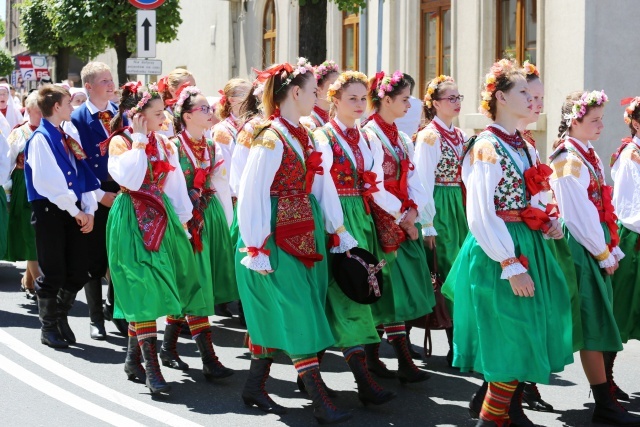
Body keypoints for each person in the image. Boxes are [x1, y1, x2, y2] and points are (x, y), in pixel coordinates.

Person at [443, 59, 573, 427]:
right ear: (500, 97)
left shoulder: (525, 145)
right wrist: (509, 264)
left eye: (536, 96)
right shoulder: (486, 146)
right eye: (525, 94)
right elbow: (481, 212)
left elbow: (531, 195)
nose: (534, 101)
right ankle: (490, 418)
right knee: (511, 336)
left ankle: (498, 415)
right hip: (499, 250)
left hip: (527, 242)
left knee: (526, 332)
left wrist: (547, 220)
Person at [236, 59, 355, 424]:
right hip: (275, 235)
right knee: (297, 310)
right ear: (296, 92)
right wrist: (255, 246)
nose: (319, 95)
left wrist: (338, 229)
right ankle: (319, 401)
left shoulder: (305, 133)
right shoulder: (269, 138)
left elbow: (322, 185)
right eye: (314, 89)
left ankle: (255, 386)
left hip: (307, 230)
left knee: (294, 307)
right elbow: (251, 193)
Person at [105, 83, 206, 394]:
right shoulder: (120, 143)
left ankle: (133, 359)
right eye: (158, 113)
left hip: (163, 221)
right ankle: (152, 369)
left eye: (164, 112)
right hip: (131, 220)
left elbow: (175, 186)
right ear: (138, 116)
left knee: (164, 285)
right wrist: (137, 139)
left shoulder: (165, 144)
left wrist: (186, 225)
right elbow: (131, 179)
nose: (165, 119)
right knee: (141, 288)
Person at [550, 90, 640, 426]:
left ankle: (604, 398)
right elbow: (577, 215)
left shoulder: (586, 153)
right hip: (579, 246)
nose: (602, 125)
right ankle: (506, 391)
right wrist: (602, 252)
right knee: (576, 320)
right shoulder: (567, 158)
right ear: (575, 120)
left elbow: (600, 208)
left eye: (601, 118)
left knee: (593, 321)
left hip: (594, 241)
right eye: (594, 120)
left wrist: (610, 247)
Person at [313, 70, 397, 406]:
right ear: (334, 100)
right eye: (353, 98)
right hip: (335, 223)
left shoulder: (367, 138)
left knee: (354, 291)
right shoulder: (323, 137)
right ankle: (363, 381)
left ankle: (313, 377)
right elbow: (324, 188)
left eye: (364, 98)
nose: (360, 104)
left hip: (359, 218)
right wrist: (338, 230)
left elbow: (375, 185)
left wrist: (401, 213)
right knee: (344, 294)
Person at [157, 85, 235, 380]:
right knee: (194, 284)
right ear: (187, 116)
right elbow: (168, 188)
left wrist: (226, 223)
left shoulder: (213, 145)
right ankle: (208, 358)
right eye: (204, 109)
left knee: (194, 285)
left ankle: (168, 347)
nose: (210, 112)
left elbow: (222, 186)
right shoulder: (172, 146)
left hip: (209, 218)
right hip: (185, 221)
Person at [362, 70, 434, 384]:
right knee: (387, 290)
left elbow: (414, 177)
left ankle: (377, 358)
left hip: (402, 215)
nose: (409, 105)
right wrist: (401, 214)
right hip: (379, 218)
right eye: (403, 99)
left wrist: (415, 210)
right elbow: (373, 183)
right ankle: (387, 358)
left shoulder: (402, 137)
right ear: (386, 100)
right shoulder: (369, 134)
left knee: (400, 289)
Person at [25, 85, 101, 349]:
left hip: (73, 210)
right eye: (68, 103)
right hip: (51, 212)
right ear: (56, 106)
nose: (72, 107)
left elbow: (81, 172)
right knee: (53, 272)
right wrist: (76, 210)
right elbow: (50, 184)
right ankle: (49, 328)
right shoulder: (40, 139)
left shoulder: (66, 132)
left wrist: (88, 209)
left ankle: (59, 316)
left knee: (80, 269)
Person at [68, 62, 126, 340]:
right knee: (95, 257)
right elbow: (79, 164)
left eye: (111, 79)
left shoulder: (120, 114)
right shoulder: (78, 118)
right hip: (96, 191)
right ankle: (95, 319)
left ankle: (114, 310)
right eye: (104, 80)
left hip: (122, 190)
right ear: (89, 87)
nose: (110, 84)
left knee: (120, 254)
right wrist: (100, 196)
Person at [413, 74, 466, 366]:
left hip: (457, 203)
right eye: (450, 98)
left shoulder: (458, 135)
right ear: (434, 103)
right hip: (440, 205)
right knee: (444, 269)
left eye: (459, 98)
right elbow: (422, 180)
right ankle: (453, 344)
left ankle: (458, 343)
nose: (456, 103)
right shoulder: (429, 136)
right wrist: (428, 223)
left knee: (459, 270)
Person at [609, 96, 640, 402]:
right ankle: (605, 380)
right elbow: (629, 209)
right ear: (636, 122)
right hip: (632, 240)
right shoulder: (630, 155)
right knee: (620, 311)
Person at [5, 92, 41, 300]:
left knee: (37, 234)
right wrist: (8, 191)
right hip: (24, 184)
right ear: (28, 110)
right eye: (38, 110)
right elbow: (8, 162)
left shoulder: (53, 129)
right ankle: (38, 284)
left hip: (44, 185)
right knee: (29, 233)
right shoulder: (20, 133)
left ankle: (28, 280)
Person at [301, 60, 339, 130]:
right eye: (333, 84)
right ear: (318, 90)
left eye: (339, 85)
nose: (338, 89)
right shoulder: (308, 121)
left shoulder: (339, 117)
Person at [158, 68, 196, 137]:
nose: (193, 91)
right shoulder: (163, 118)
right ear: (172, 90)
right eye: (187, 87)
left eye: (194, 87)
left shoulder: (198, 113)